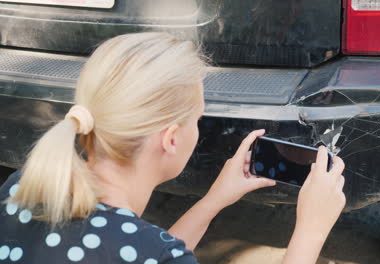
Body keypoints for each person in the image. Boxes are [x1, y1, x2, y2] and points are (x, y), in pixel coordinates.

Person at [0, 32, 345, 263]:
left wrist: (213, 201)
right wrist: (311, 230)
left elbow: (142, 251)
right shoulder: (150, 252)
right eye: (195, 118)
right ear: (171, 138)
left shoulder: (21, 187)